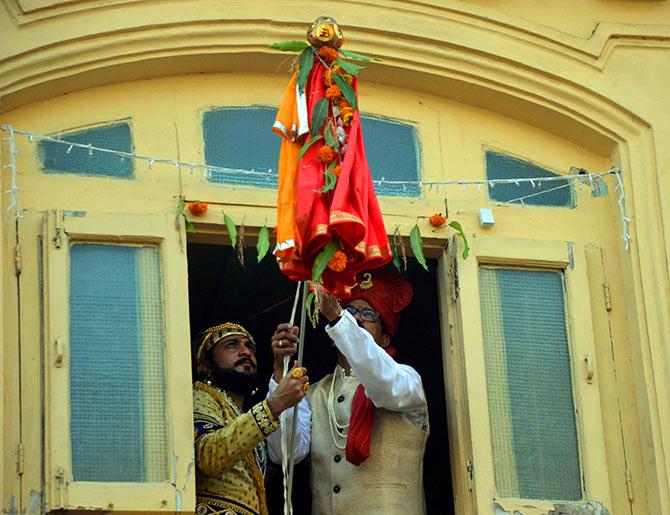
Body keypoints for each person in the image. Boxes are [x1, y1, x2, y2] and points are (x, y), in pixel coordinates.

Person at [267, 267, 429, 514]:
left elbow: (382, 382)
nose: (358, 318)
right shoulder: (313, 392)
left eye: (369, 314)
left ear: (385, 339)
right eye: (351, 312)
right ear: (335, 338)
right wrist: (281, 371)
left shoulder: (406, 380)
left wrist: (339, 318)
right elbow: (285, 453)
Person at [192, 322, 309, 515]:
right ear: (206, 366)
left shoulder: (243, 414)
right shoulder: (202, 394)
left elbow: (288, 453)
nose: (245, 351)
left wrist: (281, 366)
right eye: (232, 345)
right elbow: (209, 456)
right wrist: (273, 406)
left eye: (249, 346)